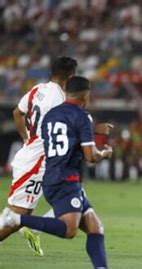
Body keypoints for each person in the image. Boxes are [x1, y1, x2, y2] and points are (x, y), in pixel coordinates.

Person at [0, 76, 113, 269]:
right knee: (69, 229)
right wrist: (104, 153)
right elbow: (90, 156)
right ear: (86, 95)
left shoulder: (51, 116)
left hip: (54, 174)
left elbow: (57, 136)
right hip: (65, 178)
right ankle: (17, 220)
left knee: (96, 228)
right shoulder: (83, 116)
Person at [0, 56, 78, 256]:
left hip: (38, 158)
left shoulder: (38, 90)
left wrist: (27, 138)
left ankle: (33, 229)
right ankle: (31, 227)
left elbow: (17, 113)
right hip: (37, 163)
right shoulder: (60, 100)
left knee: (76, 197)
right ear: (71, 76)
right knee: (18, 214)